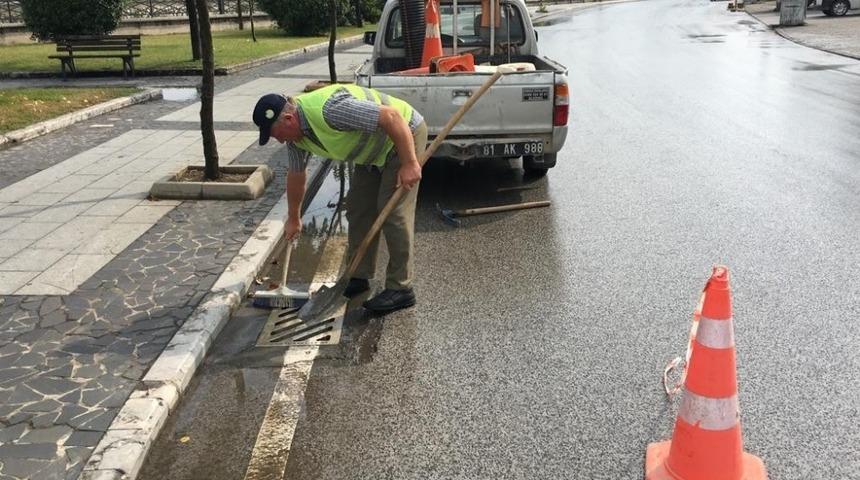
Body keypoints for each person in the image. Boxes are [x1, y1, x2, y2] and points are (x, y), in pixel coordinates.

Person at [252, 84, 427, 313]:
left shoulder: (330, 110)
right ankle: (358, 274)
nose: (280, 141)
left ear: (287, 119)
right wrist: (294, 217)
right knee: (358, 208)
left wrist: (410, 163)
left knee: (392, 212)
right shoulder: (296, 138)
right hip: (373, 152)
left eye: (277, 135)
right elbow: (296, 175)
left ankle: (401, 288)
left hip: (403, 135)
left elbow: (391, 117)